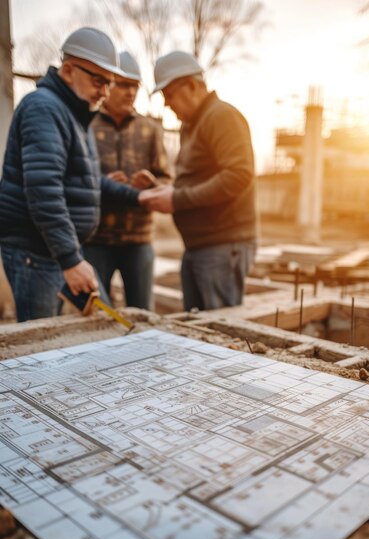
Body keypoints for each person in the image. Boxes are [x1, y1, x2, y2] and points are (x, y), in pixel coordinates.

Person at [0, 28, 144, 322]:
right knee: (40, 342)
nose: (105, 91)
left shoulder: (75, 115)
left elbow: (88, 182)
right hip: (36, 253)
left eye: (110, 82)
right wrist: (70, 259)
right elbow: (44, 189)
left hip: (57, 249)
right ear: (68, 71)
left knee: (102, 324)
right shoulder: (44, 108)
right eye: (98, 80)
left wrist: (138, 196)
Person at [140, 51, 258, 311]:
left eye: (169, 95)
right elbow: (197, 179)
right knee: (199, 332)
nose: (167, 104)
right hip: (200, 245)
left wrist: (177, 198)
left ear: (192, 86)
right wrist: (164, 190)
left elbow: (238, 175)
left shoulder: (222, 117)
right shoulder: (192, 125)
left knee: (220, 335)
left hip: (223, 246)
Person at [84, 51, 171, 310]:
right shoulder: (87, 125)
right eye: (123, 85)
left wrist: (152, 183)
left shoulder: (150, 130)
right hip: (96, 240)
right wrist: (105, 183)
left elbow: (168, 180)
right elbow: (76, 178)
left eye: (134, 87)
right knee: (97, 314)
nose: (129, 92)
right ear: (108, 84)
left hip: (139, 240)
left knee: (142, 313)